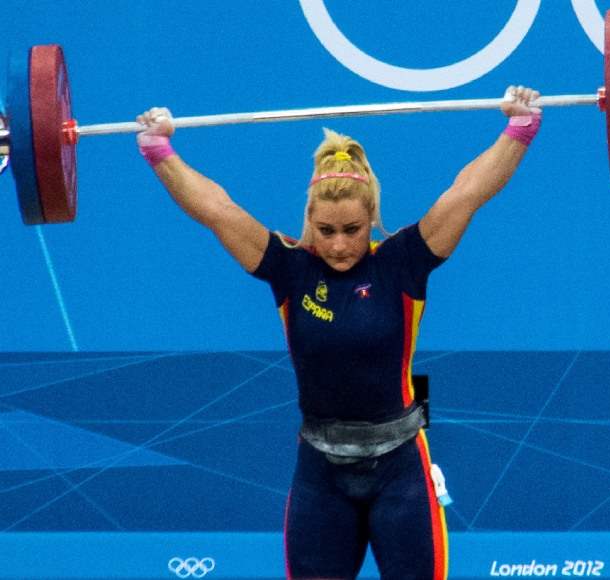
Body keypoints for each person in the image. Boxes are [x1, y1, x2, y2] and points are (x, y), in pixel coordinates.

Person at [136, 85, 542, 580]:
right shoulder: (291, 270)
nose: (340, 244)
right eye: (326, 230)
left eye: (352, 229)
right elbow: (217, 211)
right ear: (310, 220)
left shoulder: (401, 264)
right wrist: (160, 151)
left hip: (401, 470)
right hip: (320, 475)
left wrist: (518, 130)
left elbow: (467, 192)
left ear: (371, 218)